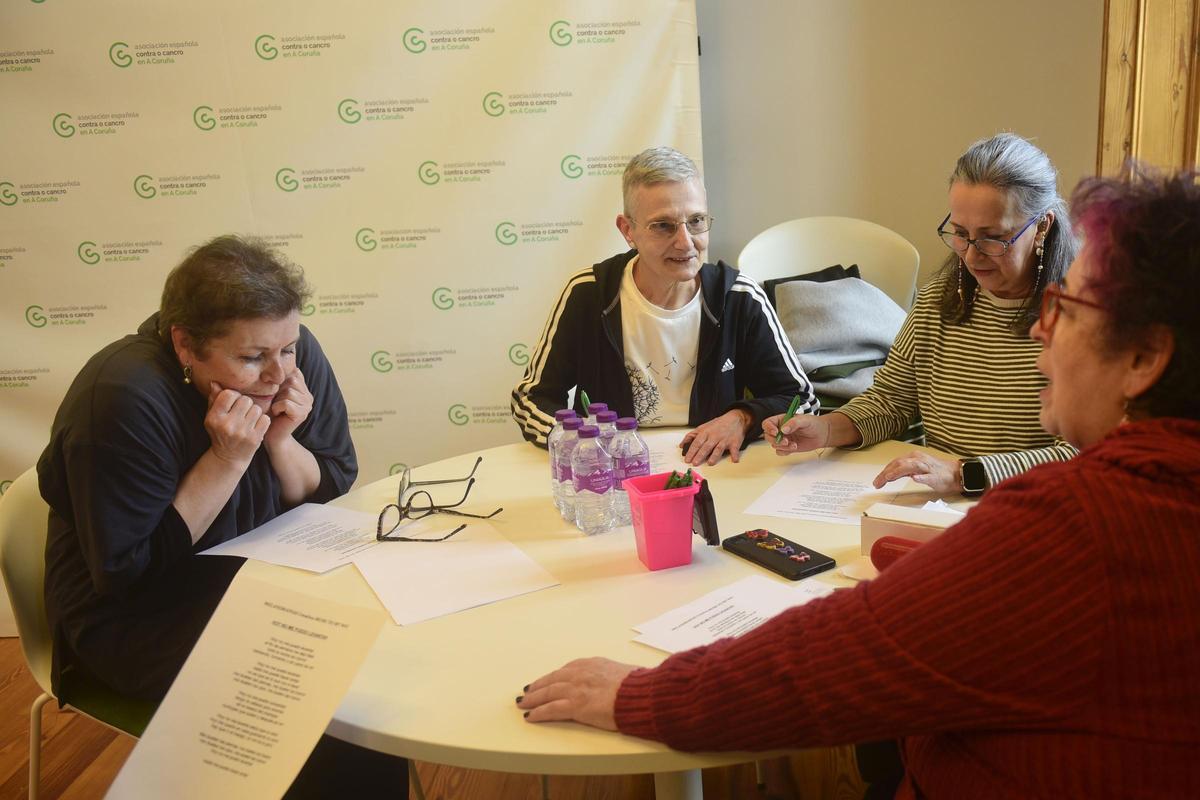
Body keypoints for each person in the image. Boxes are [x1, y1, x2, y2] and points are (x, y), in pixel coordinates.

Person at [516, 170, 1200, 797]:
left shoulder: (1077, 527)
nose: (1042, 331)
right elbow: (889, 399)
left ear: (1144, 358)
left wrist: (640, 696)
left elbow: (830, 664)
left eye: (1070, 309)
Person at [37, 235, 405, 797]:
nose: (278, 375)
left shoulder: (288, 349)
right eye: (251, 357)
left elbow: (332, 478)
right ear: (185, 344)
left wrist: (280, 442)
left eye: (287, 348)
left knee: (377, 642)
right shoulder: (122, 398)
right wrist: (227, 459)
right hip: (136, 619)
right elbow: (125, 573)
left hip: (249, 573)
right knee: (327, 695)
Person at [767, 133, 1079, 496]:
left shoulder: (1080, 320)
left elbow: (1080, 454)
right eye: (960, 234)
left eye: (993, 238)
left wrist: (965, 473)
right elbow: (891, 401)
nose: (972, 256)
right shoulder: (938, 301)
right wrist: (827, 429)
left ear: (1042, 227)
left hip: (1031, 504)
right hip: (940, 502)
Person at [511, 146, 815, 466]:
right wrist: (579, 443)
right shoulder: (588, 294)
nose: (685, 242)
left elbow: (801, 400)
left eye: (696, 221)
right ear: (628, 231)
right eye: (663, 226)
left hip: (714, 467)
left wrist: (741, 418)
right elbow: (532, 399)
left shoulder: (739, 297)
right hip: (612, 473)